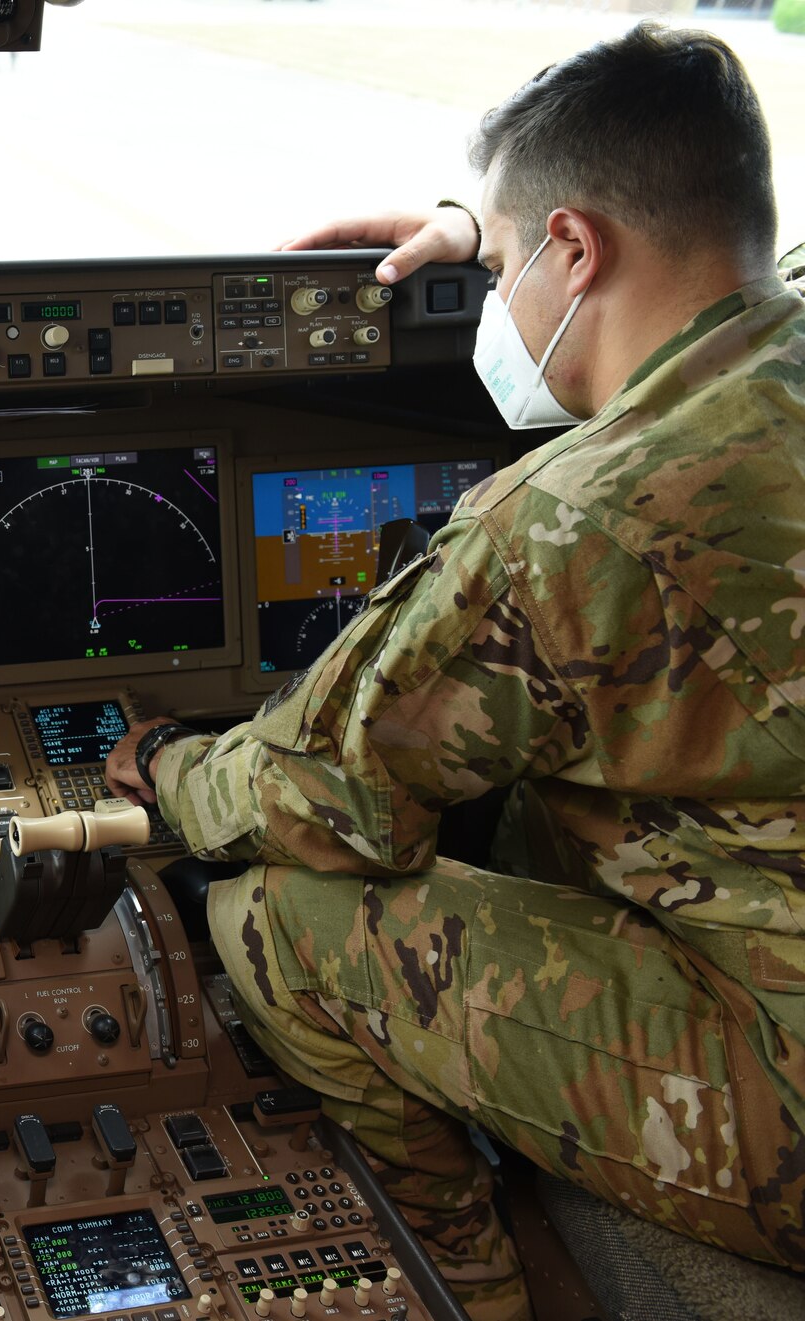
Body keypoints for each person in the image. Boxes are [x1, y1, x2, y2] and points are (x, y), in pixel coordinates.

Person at [107, 23, 804, 1321]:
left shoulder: (576, 521)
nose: (492, 295)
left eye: (496, 263)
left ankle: (473, 1289)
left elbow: (312, 792)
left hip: (792, 1096)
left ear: (575, 249)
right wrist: (482, 217)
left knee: (272, 914)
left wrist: (157, 765)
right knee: (540, 790)